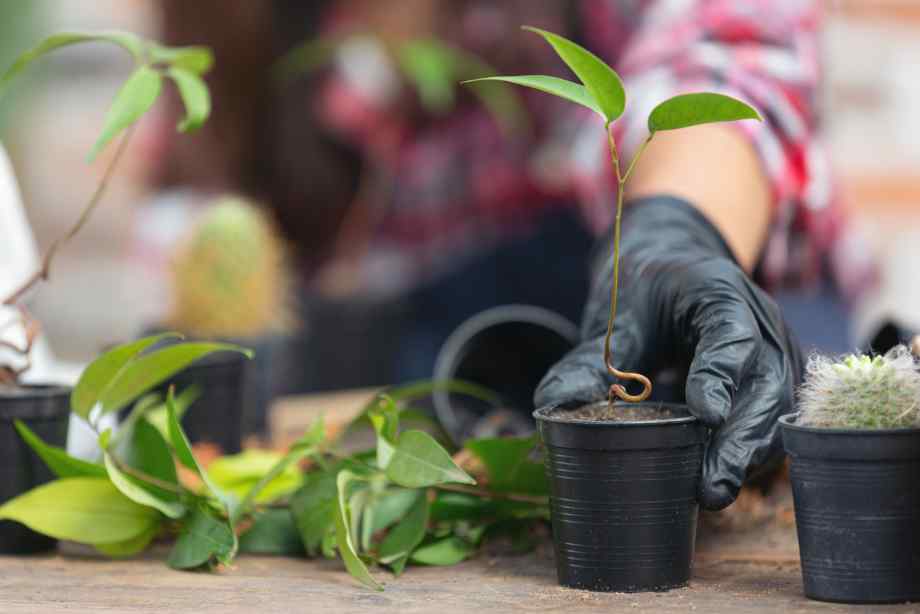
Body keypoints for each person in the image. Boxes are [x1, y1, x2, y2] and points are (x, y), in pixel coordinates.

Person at [149, 1, 856, 510]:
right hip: (425, 347)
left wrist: (672, 232)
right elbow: (199, 195)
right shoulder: (252, 32)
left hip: (682, 280)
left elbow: (726, 57)